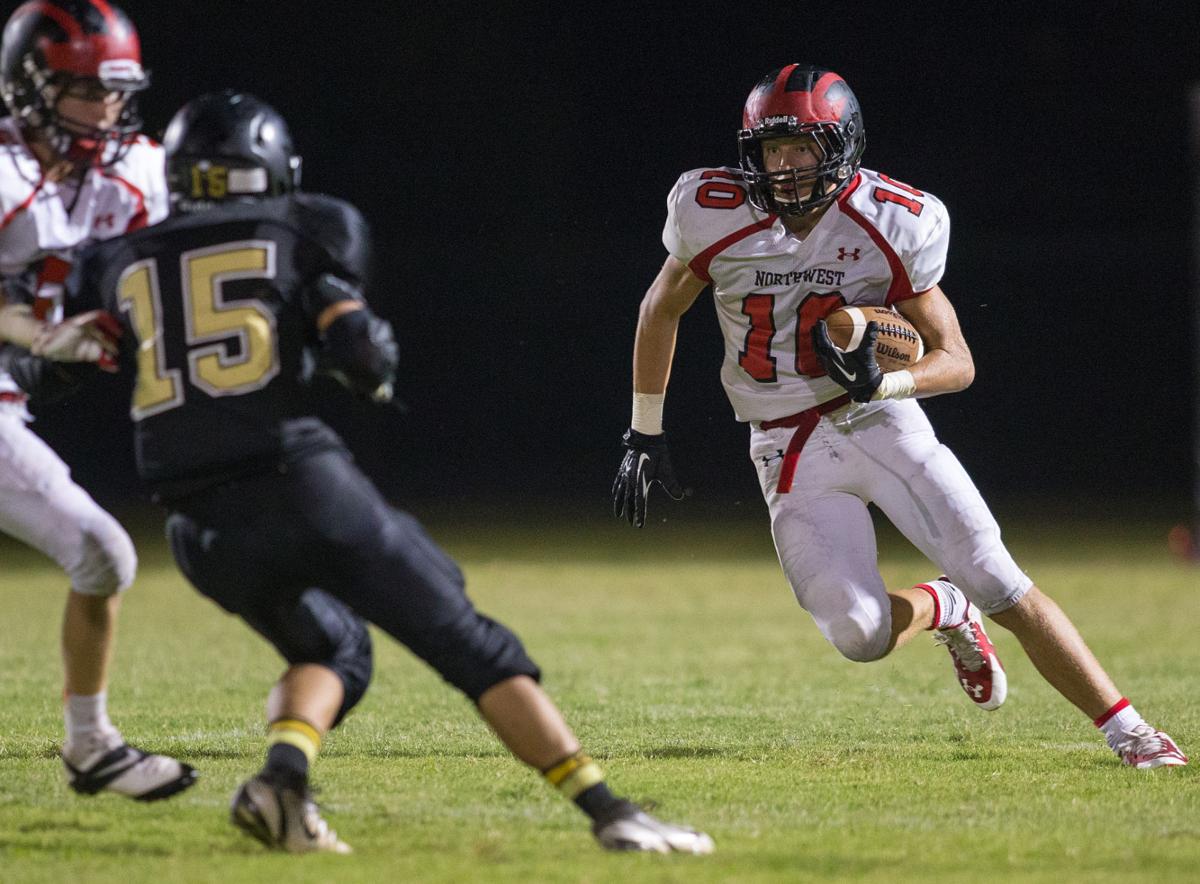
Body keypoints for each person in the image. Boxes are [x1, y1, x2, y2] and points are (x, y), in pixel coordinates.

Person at [65, 90, 714, 855]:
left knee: (333, 651)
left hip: (198, 526)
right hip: (300, 484)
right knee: (472, 645)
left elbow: (70, 359)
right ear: (270, 167)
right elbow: (361, 355)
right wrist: (366, 362)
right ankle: (613, 815)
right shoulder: (307, 227)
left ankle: (281, 785)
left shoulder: (112, 260)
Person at [611, 63, 1186, 769]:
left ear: (840, 146)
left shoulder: (893, 218)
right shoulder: (712, 207)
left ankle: (1131, 731)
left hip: (879, 423)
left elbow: (957, 359)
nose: (785, 167)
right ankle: (945, 609)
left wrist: (886, 385)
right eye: (771, 149)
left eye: (801, 148)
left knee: (996, 576)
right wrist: (645, 429)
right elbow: (659, 307)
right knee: (857, 633)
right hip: (784, 443)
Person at [0, 0, 196, 799]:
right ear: (31, 86)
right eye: (89, 90)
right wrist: (38, 337)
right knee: (104, 551)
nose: (109, 108)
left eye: (118, 90)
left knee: (103, 553)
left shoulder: (134, 172)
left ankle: (90, 744)